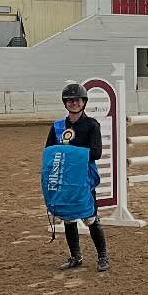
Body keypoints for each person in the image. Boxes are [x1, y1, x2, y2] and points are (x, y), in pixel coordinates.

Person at [45, 82, 109, 271]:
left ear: (84, 102)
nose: (74, 103)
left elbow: (96, 153)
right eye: (70, 100)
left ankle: (103, 257)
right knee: (68, 217)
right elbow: (49, 151)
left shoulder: (92, 125)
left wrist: (70, 154)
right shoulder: (57, 127)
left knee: (90, 218)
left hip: (84, 178)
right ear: (65, 103)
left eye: (77, 100)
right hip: (64, 178)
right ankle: (75, 256)